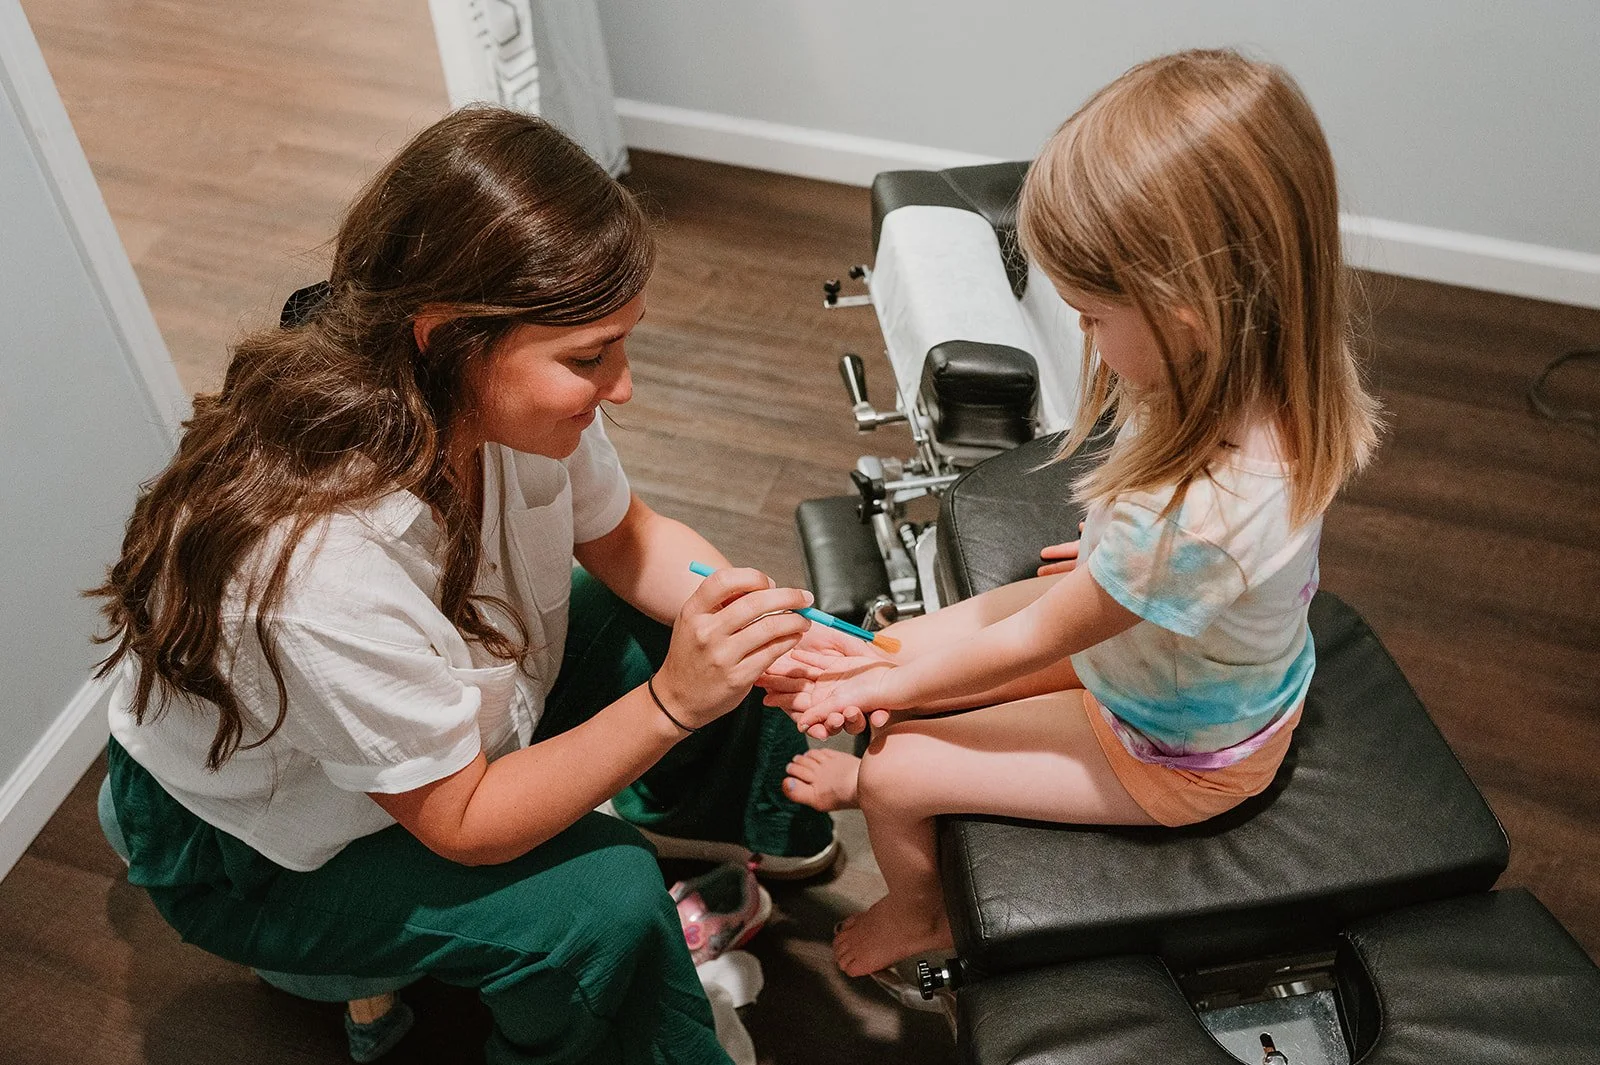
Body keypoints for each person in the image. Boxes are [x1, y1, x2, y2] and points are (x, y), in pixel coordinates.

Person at [90, 106, 839, 1065]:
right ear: (447, 339)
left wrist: (746, 614)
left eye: (621, 343)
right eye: (588, 357)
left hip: (426, 733)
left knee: (696, 624)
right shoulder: (316, 566)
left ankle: (762, 824)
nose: (622, 386)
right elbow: (463, 819)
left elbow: (630, 538)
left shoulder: (504, 399)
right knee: (602, 898)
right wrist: (670, 704)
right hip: (255, 852)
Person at [765, 49, 1383, 978]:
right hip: (1162, 655)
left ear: (1189, 311)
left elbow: (1035, 638)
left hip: (1177, 750)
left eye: (1091, 317)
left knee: (894, 756)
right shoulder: (1262, 372)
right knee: (902, 659)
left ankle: (923, 912)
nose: (1083, 337)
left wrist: (881, 694)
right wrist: (891, 663)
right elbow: (1096, 593)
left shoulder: (1202, 511)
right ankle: (890, 732)